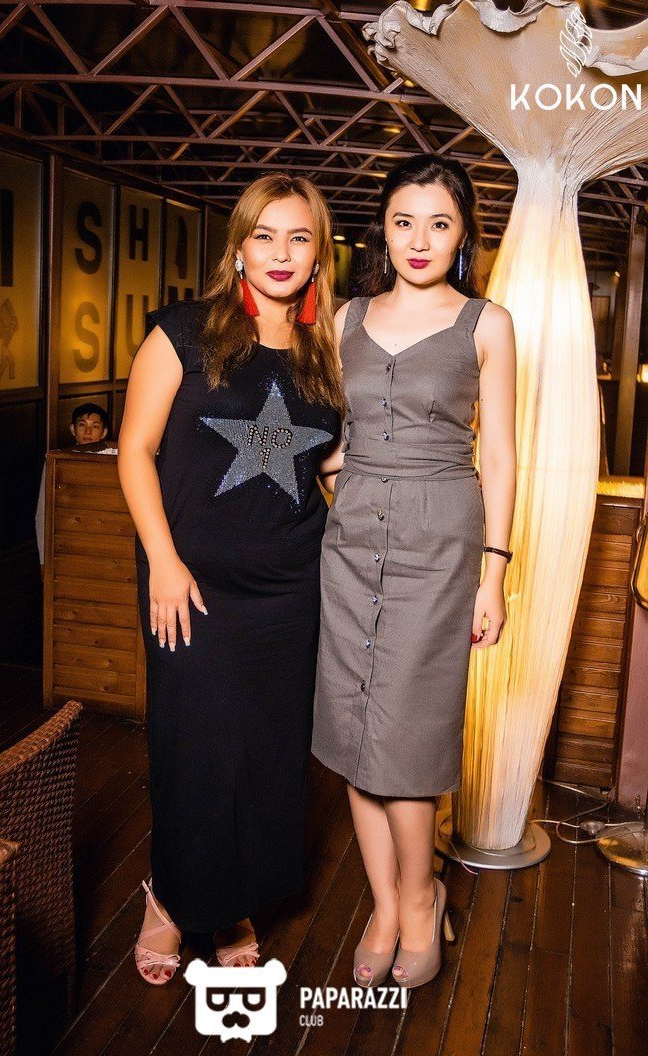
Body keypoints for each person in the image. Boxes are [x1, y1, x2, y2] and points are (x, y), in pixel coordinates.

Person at [117, 173, 343, 983]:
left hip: (289, 588)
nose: (281, 253)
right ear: (239, 248)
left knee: (266, 755)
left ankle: (230, 900)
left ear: (318, 255)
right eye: (264, 235)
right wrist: (163, 561)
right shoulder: (183, 331)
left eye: (298, 237)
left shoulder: (325, 352)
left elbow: (322, 462)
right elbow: (135, 450)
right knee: (195, 751)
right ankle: (170, 898)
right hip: (192, 586)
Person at [311, 154, 517, 989]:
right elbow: (331, 432)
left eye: (438, 222)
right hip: (351, 539)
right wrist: (333, 477)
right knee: (352, 731)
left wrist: (493, 574)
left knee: (405, 736)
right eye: (404, 221)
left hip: (440, 545)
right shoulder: (345, 316)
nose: (419, 239)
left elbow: (498, 457)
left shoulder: (486, 324)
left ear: (463, 233)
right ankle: (386, 906)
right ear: (383, 230)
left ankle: (423, 896)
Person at [34, 402, 109, 570]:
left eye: (95, 426)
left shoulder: (110, 462)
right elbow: (43, 513)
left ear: (104, 432)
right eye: (82, 425)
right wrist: (44, 560)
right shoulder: (57, 461)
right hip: (67, 547)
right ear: (73, 429)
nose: (88, 432)